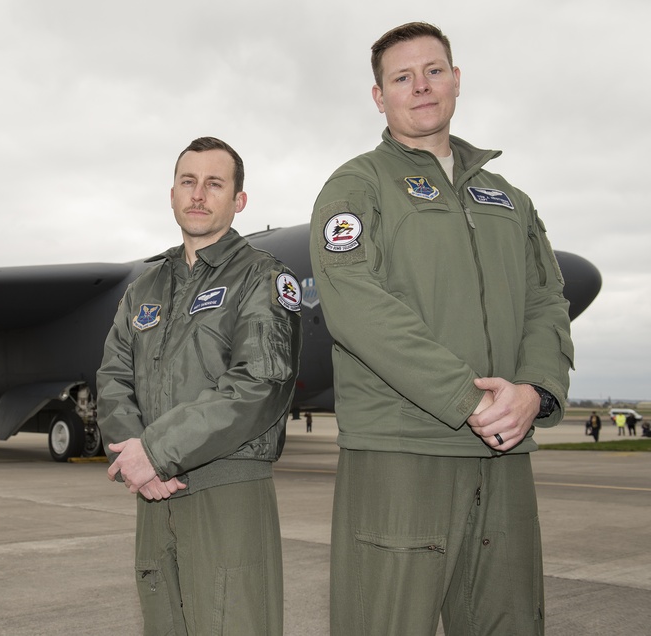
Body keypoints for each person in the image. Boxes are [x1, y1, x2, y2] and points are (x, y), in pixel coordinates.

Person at [309, 22, 573, 635]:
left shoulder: (510, 199)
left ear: (456, 81)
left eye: (434, 71)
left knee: (510, 622)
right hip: (403, 452)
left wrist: (533, 390)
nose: (421, 87)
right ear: (379, 96)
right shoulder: (358, 187)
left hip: (505, 450)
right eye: (402, 77)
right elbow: (355, 303)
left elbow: (546, 299)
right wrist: (467, 396)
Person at [98, 136, 302, 635]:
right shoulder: (143, 288)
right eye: (188, 182)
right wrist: (138, 460)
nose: (198, 194)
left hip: (226, 486)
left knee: (235, 620)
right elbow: (113, 376)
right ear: (171, 194)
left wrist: (158, 451)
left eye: (214, 183)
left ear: (239, 201)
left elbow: (260, 382)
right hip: (153, 490)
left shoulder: (262, 278)